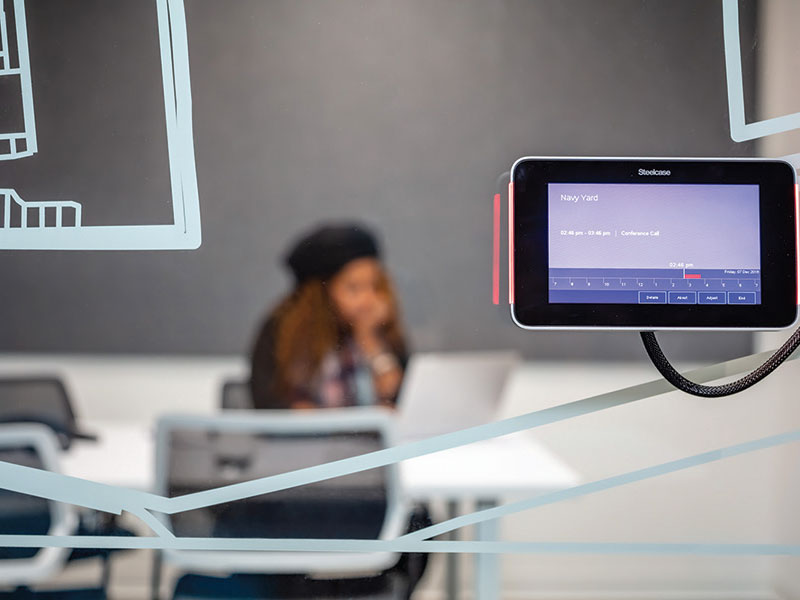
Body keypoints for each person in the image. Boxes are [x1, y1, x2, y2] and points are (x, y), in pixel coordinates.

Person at [250, 223, 408, 410]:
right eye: (354, 288)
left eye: (375, 286)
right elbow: (269, 401)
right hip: (305, 439)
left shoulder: (383, 331)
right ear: (322, 293)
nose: (368, 299)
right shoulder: (283, 330)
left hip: (368, 439)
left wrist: (370, 341)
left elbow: (397, 396)